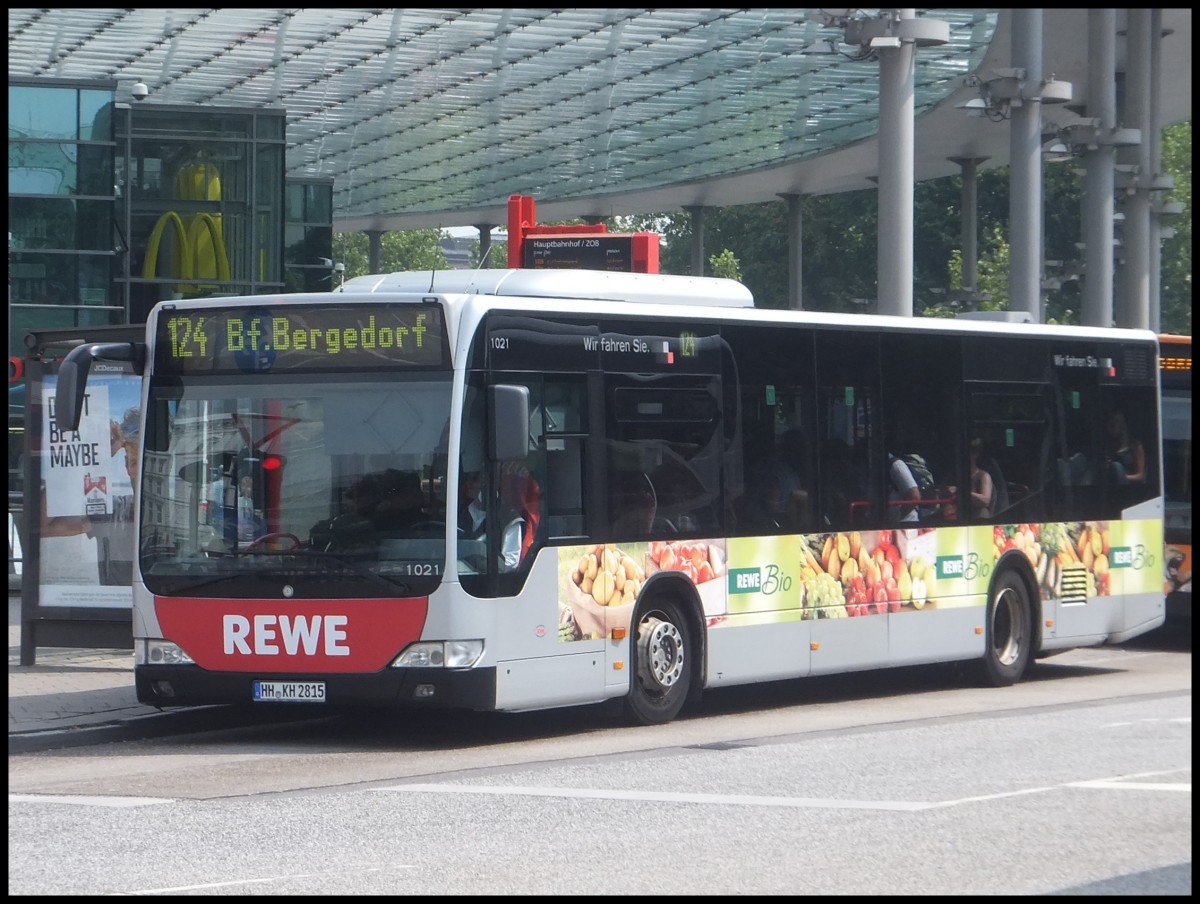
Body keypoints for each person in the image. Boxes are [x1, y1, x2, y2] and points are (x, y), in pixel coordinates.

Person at [41, 405, 139, 585]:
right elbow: (42, 526)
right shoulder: (115, 511)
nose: (131, 470)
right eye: (129, 462)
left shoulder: (180, 511)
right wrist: (96, 456)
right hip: (117, 608)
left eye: (139, 462)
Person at [458, 468, 523, 571]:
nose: (470, 485)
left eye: (475, 480)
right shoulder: (459, 515)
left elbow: (510, 563)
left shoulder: (509, 519)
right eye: (470, 480)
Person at [1104, 410, 1145, 484]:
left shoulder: (1135, 446)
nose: (1110, 429)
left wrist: (1121, 476)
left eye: (1113, 425)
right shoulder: (1108, 447)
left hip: (1128, 487)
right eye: (1108, 426)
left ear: (1122, 425)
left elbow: (1140, 476)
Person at [887, 452, 921, 523]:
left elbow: (914, 496)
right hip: (887, 523)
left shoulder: (897, 465)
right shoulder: (873, 466)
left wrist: (898, 517)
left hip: (906, 523)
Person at [968, 437, 996, 518]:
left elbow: (986, 500)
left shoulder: (983, 476)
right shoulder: (953, 476)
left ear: (975, 454)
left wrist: (962, 493)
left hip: (980, 521)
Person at [236, 474, 265, 543]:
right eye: (243, 485)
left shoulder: (257, 503)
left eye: (248, 486)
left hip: (254, 538)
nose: (245, 489)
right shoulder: (238, 501)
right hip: (240, 538)